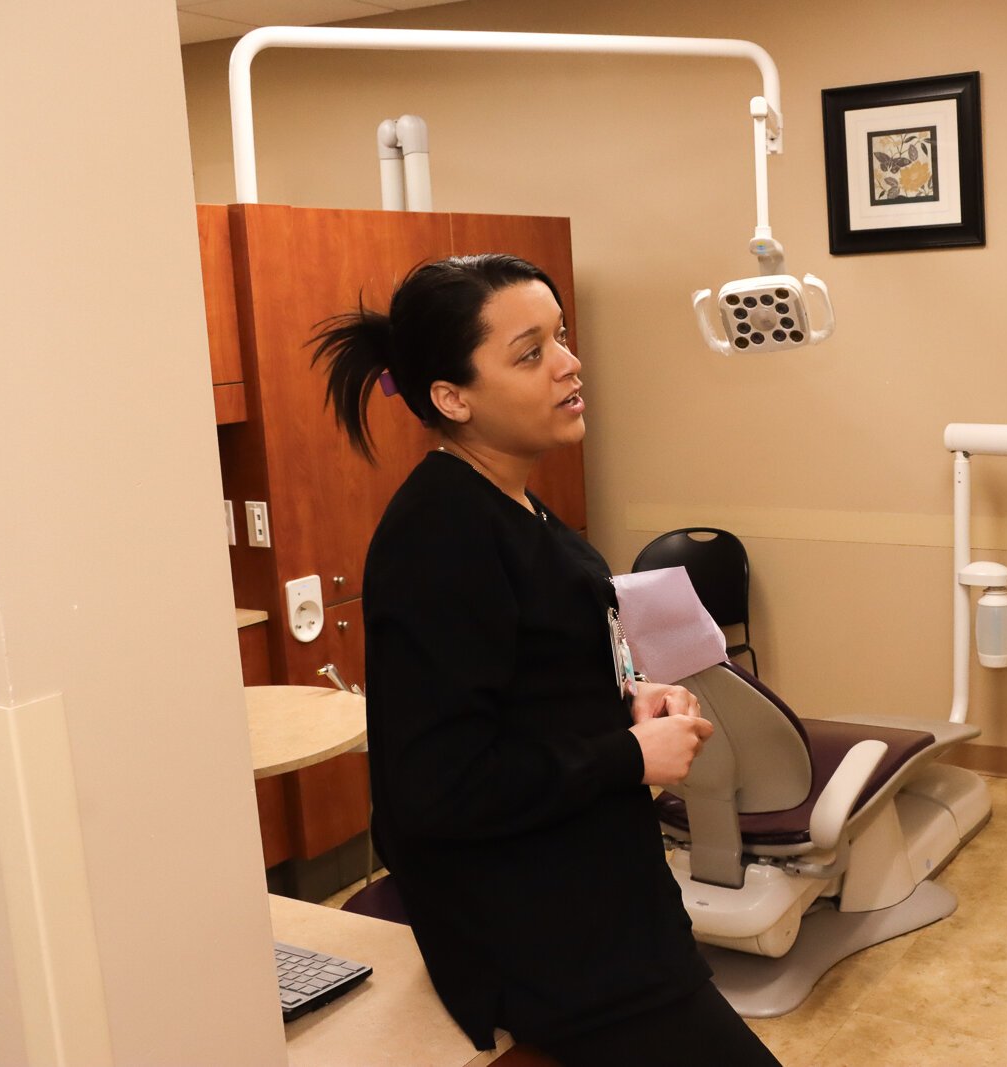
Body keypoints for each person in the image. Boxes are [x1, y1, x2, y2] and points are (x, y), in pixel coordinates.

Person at [312, 254, 781, 1067]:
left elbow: (528, 691)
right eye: (529, 353)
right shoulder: (440, 539)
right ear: (451, 398)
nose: (568, 363)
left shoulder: (510, 501)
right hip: (544, 940)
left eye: (560, 337)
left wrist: (629, 701)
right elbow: (437, 790)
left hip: (605, 900)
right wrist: (627, 754)